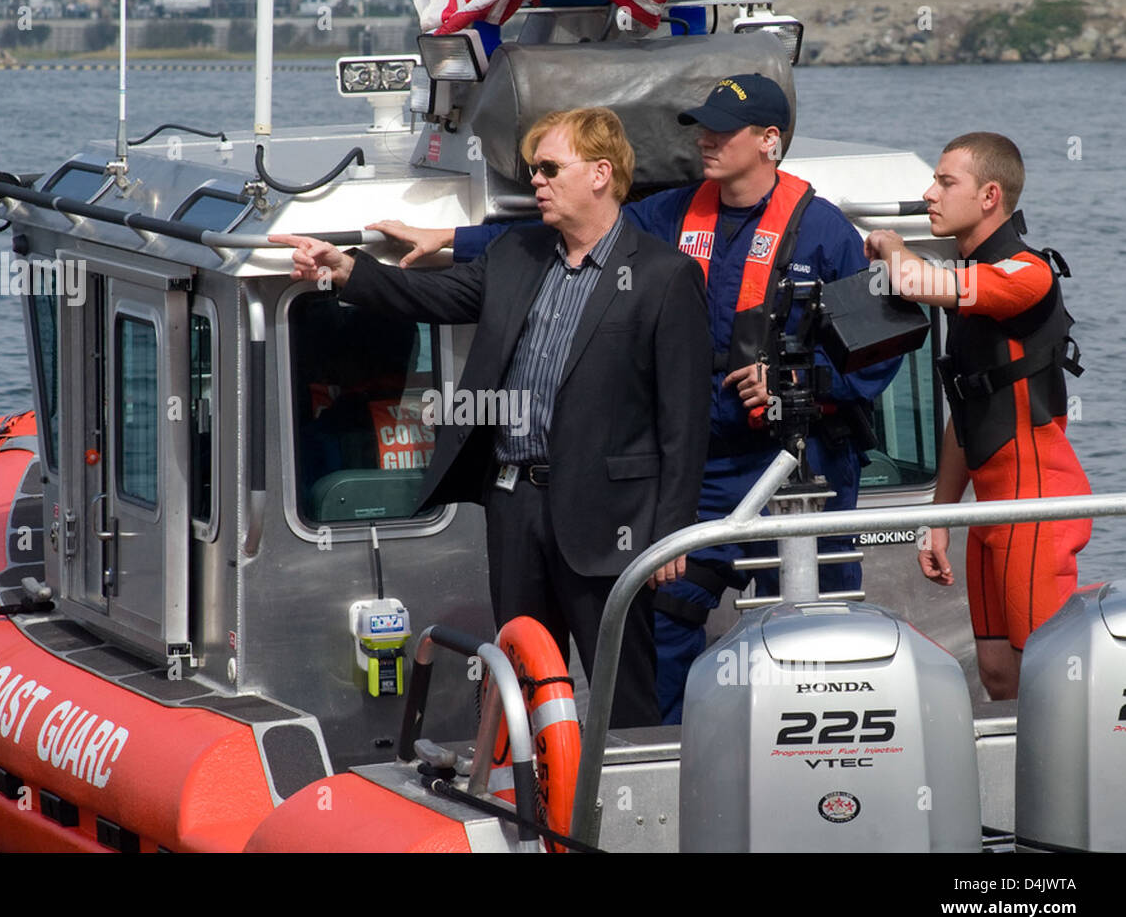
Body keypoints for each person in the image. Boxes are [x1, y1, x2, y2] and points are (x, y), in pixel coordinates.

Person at [371, 75, 899, 723]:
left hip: (800, 469)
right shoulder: (670, 214)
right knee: (666, 619)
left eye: (720, 130)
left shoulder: (828, 234)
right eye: (699, 127)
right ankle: (664, 774)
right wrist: (451, 242)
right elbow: (564, 237)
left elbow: (875, 354)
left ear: (768, 142)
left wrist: (797, 381)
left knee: (816, 628)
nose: (703, 140)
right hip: (702, 471)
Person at [272, 107, 710, 727]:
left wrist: (672, 529)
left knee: (624, 689)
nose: (537, 181)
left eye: (551, 168)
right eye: (534, 170)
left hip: (612, 518)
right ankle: (529, 805)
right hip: (516, 504)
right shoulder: (519, 252)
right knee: (523, 676)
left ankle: (629, 814)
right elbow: (434, 296)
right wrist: (344, 269)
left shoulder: (665, 277)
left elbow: (685, 419)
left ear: (601, 174)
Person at [865, 132, 1090, 700]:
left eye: (945, 182)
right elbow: (966, 414)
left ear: (990, 195)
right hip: (992, 507)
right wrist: (940, 516)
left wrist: (890, 243)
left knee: (1049, 677)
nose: (929, 194)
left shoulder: (1025, 273)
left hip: (1036, 503)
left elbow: (913, 279)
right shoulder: (969, 291)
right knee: (996, 673)